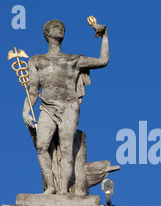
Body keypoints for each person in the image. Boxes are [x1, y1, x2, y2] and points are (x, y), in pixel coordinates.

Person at [23, 19, 109, 194]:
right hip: (47, 106)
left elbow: (102, 60)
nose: (60, 28)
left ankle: (63, 190)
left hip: (69, 107)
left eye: (62, 27)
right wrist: (25, 110)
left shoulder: (73, 60)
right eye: (56, 27)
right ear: (47, 33)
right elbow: (33, 92)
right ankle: (51, 186)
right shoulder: (36, 61)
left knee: (67, 147)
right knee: (42, 146)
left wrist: (105, 37)